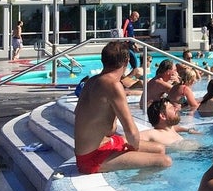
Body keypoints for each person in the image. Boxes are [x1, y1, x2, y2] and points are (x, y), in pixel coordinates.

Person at [73, 41, 172, 174]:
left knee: (159, 148)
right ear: (126, 61)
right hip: (92, 158)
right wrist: (133, 148)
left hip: (95, 148)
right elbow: (131, 133)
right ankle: (136, 185)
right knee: (164, 161)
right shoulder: (113, 85)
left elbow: (82, 116)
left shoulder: (91, 81)